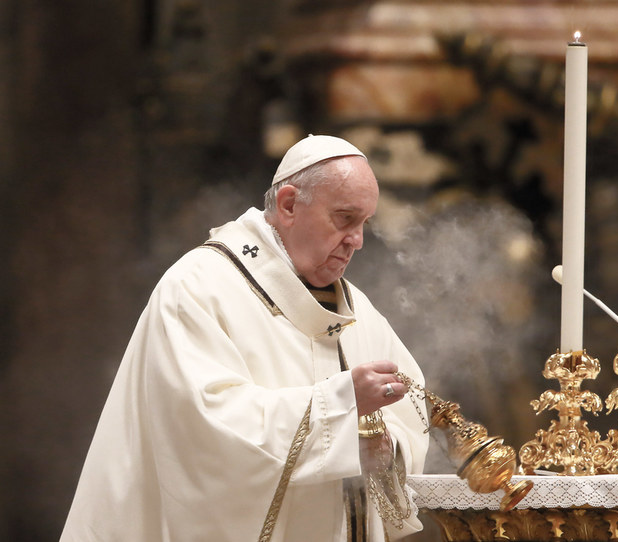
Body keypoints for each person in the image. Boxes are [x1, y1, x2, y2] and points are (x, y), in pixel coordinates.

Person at [60, 135, 429, 542]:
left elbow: (410, 414)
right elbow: (203, 432)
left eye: (364, 224)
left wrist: (381, 443)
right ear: (289, 205)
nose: (357, 240)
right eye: (344, 218)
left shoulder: (356, 309)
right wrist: (341, 404)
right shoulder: (199, 288)